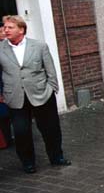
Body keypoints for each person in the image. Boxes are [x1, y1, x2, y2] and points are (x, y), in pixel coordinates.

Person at [0, 15, 70, 173]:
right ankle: (28, 162)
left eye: (10, 27)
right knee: (21, 131)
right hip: (15, 96)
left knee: (50, 128)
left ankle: (56, 157)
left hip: (42, 94)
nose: (6, 30)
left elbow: (50, 70)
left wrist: (52, 88)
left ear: (21, 29)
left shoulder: (39, 46)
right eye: (5, 27)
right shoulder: (1, 48)